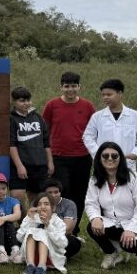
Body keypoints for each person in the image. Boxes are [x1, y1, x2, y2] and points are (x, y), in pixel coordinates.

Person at [85, 142, 137, 270]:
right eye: (105, 156)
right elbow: (91, 203)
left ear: (120, 158)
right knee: (92, 227)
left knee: (126, 243)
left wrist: (131, 229)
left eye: (114, 156)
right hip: (112, 222)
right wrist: (95, 218)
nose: (110, 158)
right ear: (99, 158)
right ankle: (111, 252)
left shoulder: (133, 178)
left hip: (133, 221)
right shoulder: (95, 180)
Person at [42, 72, 96, 225]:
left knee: (80, 193)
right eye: (67, 86)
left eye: (74, 86)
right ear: (61, 87)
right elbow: (44, 130)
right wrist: (47, 156)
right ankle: (60, 226)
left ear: (79, 87)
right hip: (59, 157)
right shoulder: (52, 105)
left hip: (82, 157)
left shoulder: (88, 106)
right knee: (63, 192)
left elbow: (94, 130)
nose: (70, 89)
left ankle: (74, 228)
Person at [82, 79, 137, 173]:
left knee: (126, 182)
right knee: (103, 182)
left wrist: (136, 153)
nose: (105, 98)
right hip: (103, 165)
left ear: (120, 94)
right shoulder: (97, 117)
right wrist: (99, 153)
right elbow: (88, 137)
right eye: (103, 95)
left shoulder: (135, 116)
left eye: (109, 94)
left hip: (127, 164)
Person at [8, 86, 53, 210]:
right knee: (17, 197)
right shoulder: (11, 119)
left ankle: (34, 221)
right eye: (22, 101)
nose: (26, 103)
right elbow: (11, 144)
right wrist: (19, 166)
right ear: (14, 102)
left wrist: (50, 162)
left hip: (39, 165)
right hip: (19, 166)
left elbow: (46, 142)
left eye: (28, 100)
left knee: (38, 199)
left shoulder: (38, 118)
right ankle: (21, 220)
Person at [17, 192, 68, 274]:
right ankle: (30, 265)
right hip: (32, 256)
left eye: (46, 204)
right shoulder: (32, 217)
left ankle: (41, 267)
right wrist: (29, 219)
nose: (42, 207)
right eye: (39, 204)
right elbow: (19, 237)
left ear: (53, 207)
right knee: (31, 231)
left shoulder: (58, 222)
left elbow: (62, 243)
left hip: (51, 257)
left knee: (42, 232)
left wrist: (48, 225)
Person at [42, 177, 83, 258]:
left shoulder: (69, 204)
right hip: (41, 235)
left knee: (73, 243)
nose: (53, 195)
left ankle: (47, 254)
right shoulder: (40, 203)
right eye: (49, 192)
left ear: (60, 192)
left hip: (59, 237)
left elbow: (67, 229)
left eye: (56, 192)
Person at [0, 172, 22, 265]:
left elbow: (17, 215)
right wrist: (0, 221)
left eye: (3, 188)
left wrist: (2, 219)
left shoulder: (13, 201)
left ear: (7, 188)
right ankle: (1, 252)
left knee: (8, 222)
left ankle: (15, 251)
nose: (1, 191)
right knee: (0, 224)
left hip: (10, 235)